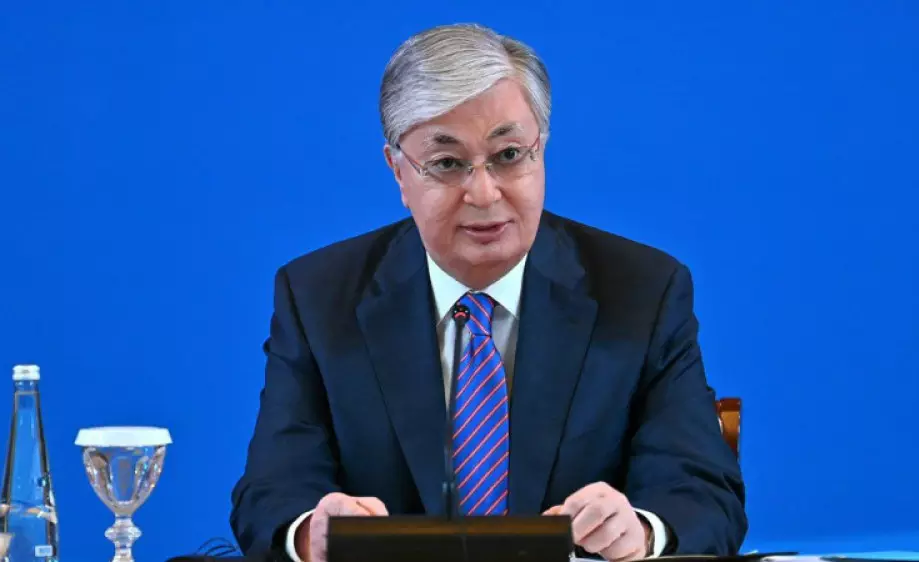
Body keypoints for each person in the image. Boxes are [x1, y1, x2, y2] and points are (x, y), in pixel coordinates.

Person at [230, 23, 747, 562]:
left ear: (541, 150)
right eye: (447, 164)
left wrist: (640, 530)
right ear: (398, 172)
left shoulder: (641, 292)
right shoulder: (319, 298)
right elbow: (272, 491)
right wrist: (311, 534)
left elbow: (701, 493)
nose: (483, 194)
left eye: (508, 155)